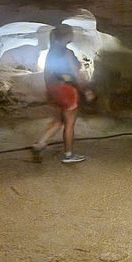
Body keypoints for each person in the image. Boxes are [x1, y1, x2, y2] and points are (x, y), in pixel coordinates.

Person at [31, 24, 94, 163]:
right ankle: (68, 155)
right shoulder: (67, 53)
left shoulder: (51, 53)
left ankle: (39, 144)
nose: (73, 35)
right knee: (70, 123)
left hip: (53, 90)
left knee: (58, 121)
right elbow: (76, 76)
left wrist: (52, 91)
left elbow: (48, 75)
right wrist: (86, 90)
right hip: (67, 91)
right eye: (71, 33)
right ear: (66, 36)